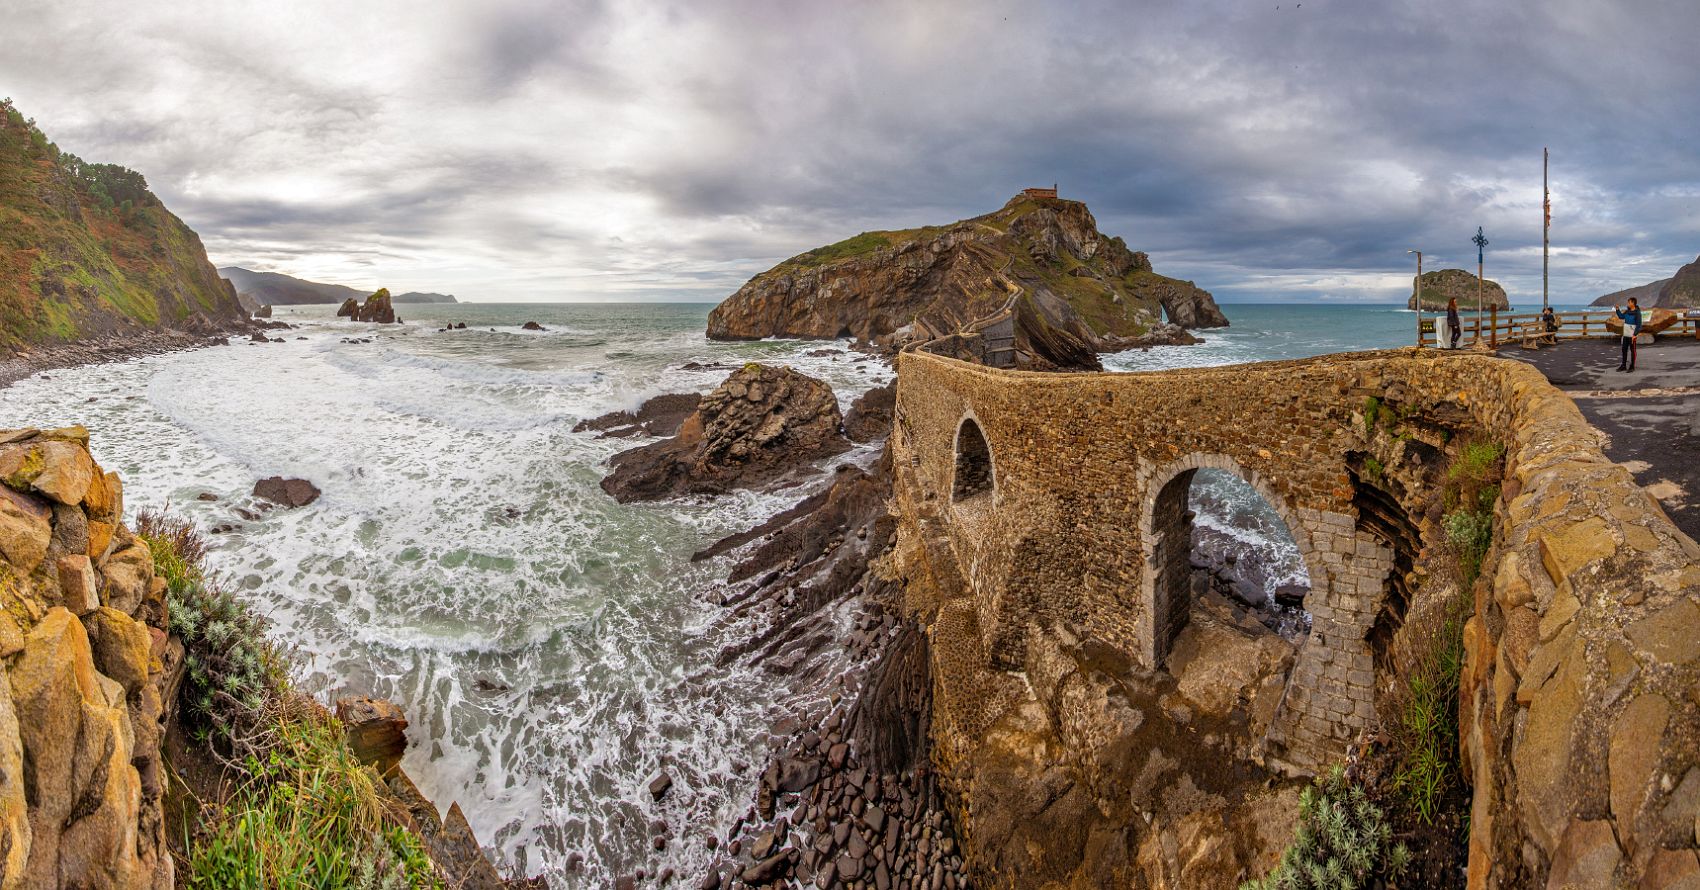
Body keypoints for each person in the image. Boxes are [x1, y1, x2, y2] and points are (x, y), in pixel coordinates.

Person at [1615, 297, 1642, 371]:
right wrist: (1617, 309)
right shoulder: (1627, 311)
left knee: (1633, 350)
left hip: (1632, 335)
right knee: (1624, 349)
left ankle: (1632, 366)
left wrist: (1635, 334)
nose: (1628, 304)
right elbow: (1621, 316)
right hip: (1626, 334)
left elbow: (1639, 325)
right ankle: (1623, 365)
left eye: (1629, 302)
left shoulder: (1637, 313)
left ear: (1633, 303)